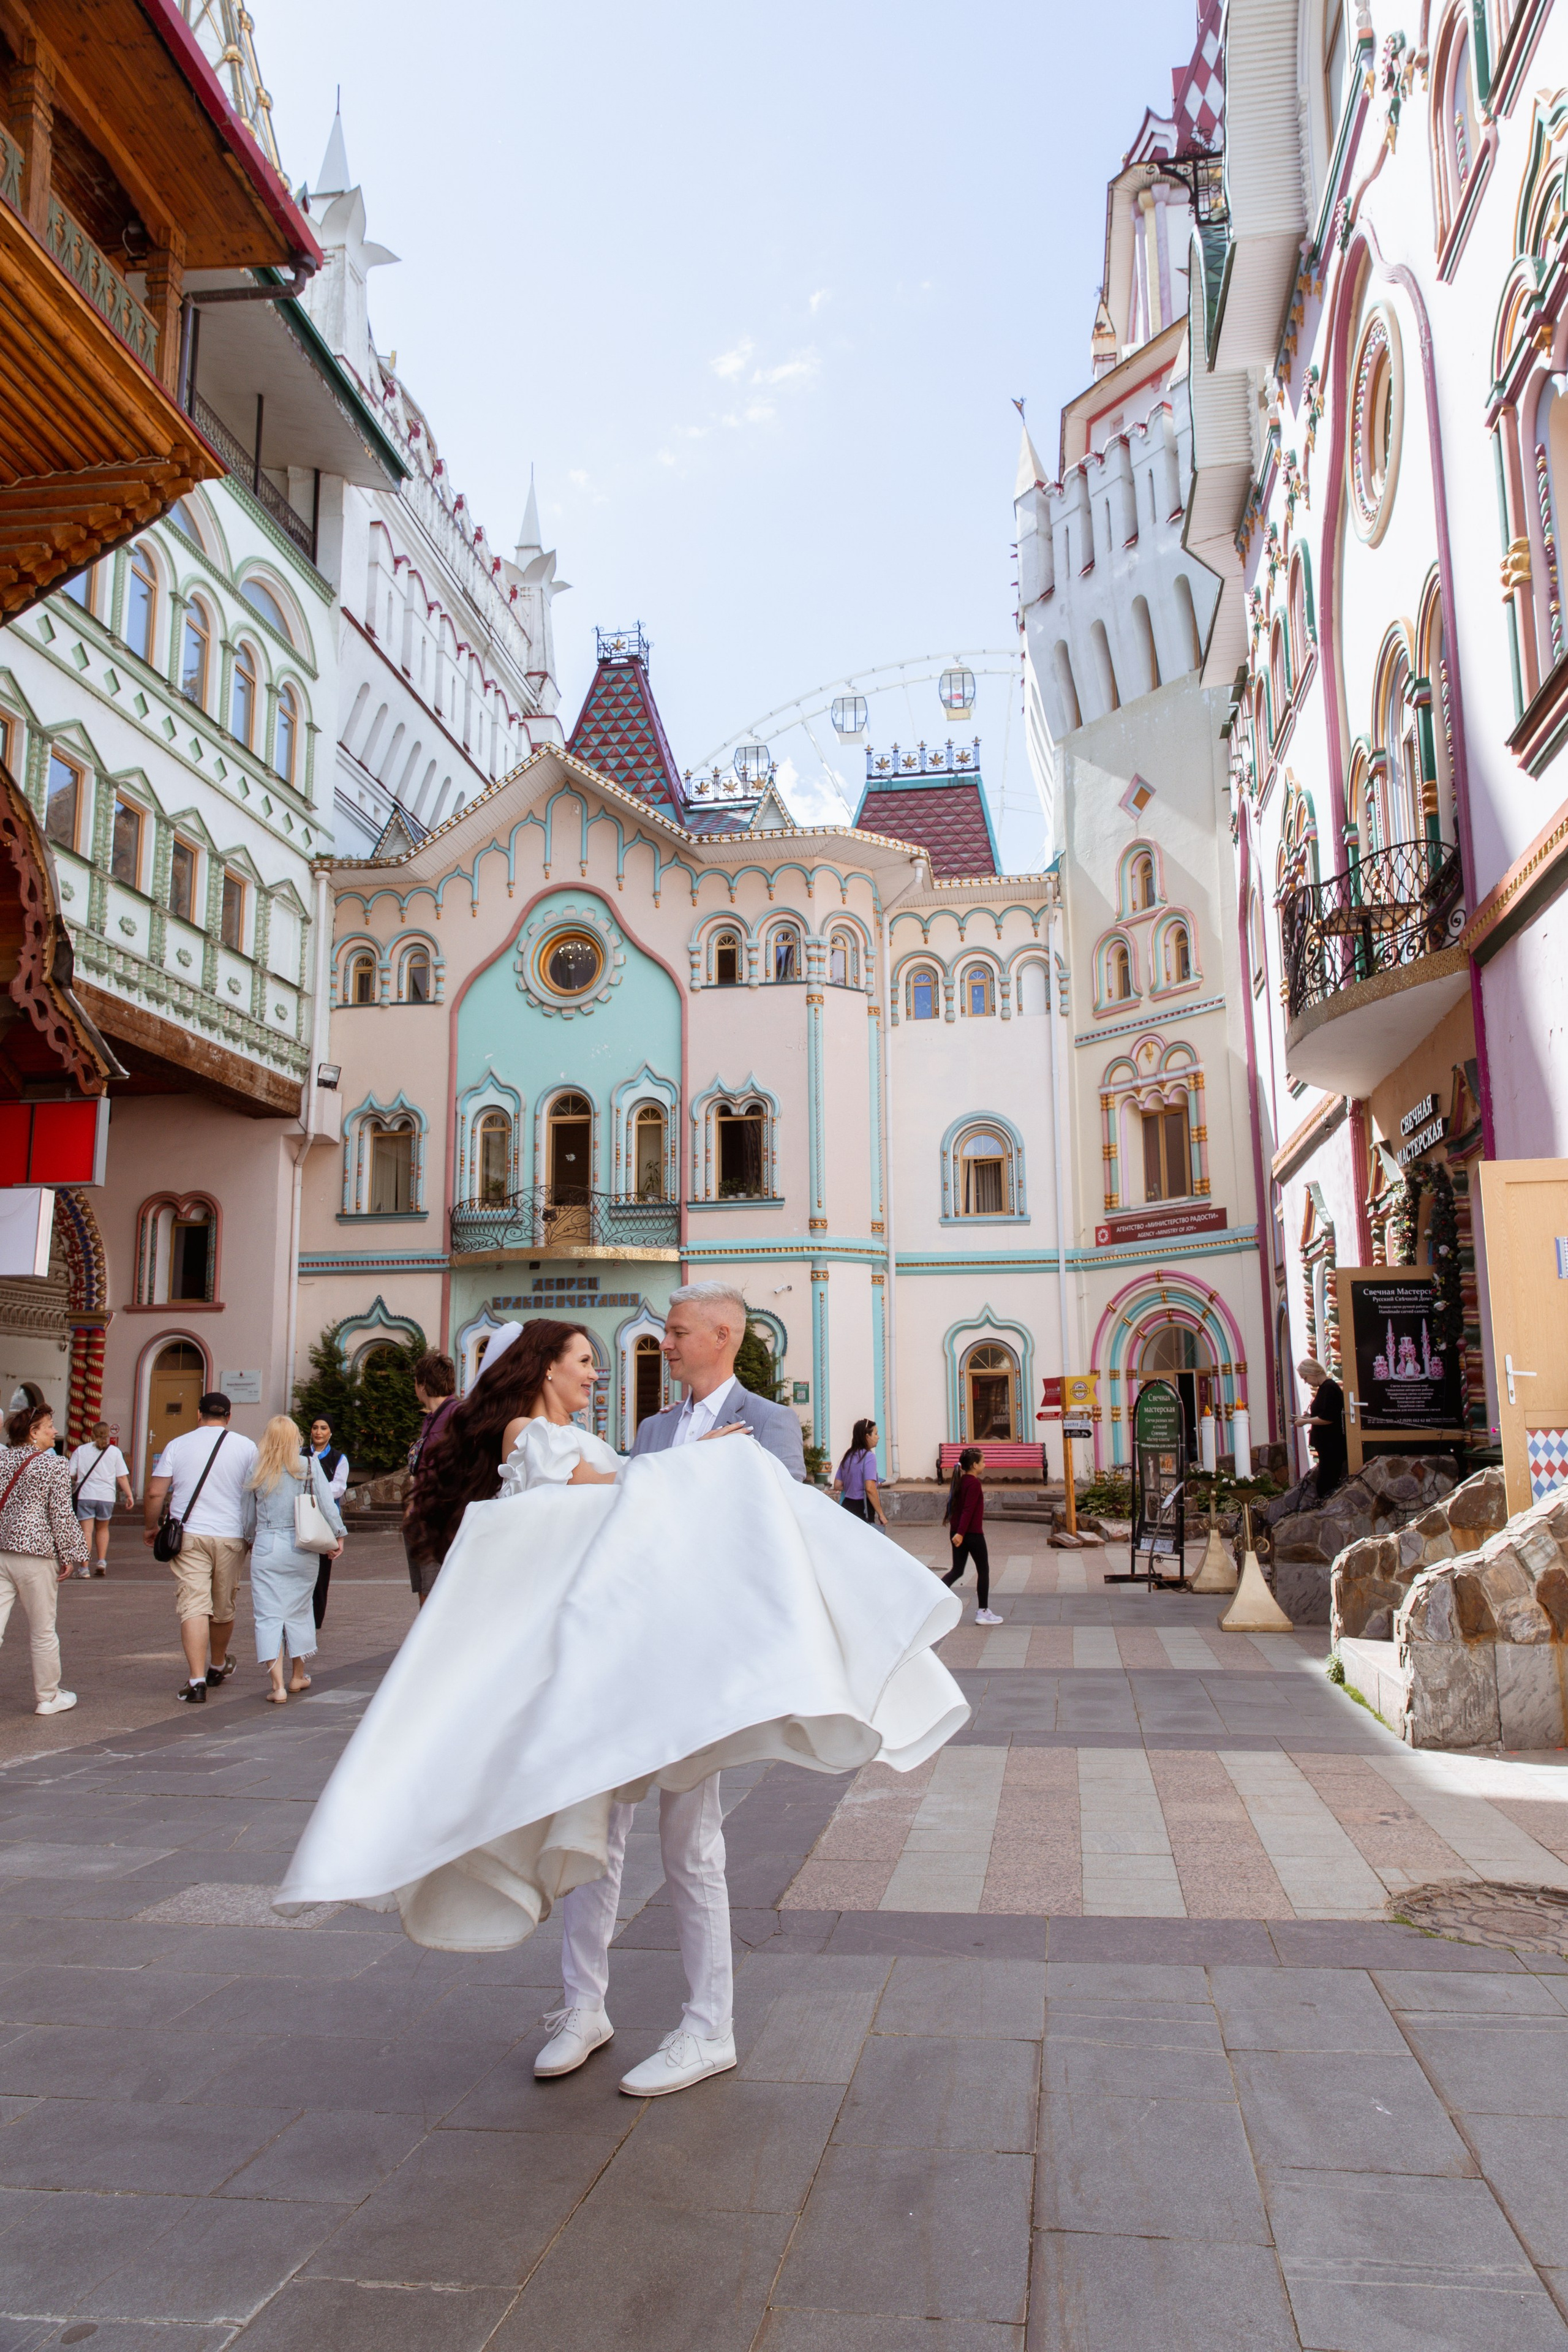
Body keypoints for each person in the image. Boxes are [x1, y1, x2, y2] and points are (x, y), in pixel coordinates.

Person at [280, 1300, 968, 2104]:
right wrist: (689, 1467)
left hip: (697, 1666)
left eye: (675, 1334)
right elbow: (604, 1513)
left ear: (723, 1337)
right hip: (616, 1663)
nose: (659, 1346)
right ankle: (583, 2008)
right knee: (592, 1833)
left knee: (693, 1844)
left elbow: (773, 1532)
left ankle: (709, 2026)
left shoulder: (768, 1422)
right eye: (659, 1334)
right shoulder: (643, 1435)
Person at [143, 1390, 258, 1705]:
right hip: (231, 1537)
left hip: (188, 1536)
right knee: (222, 1607)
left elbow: (155, 1493)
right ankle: (217, 1665)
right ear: (229, 1417)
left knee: (193, 1606)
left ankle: (195, 1682)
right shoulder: (247, 1447)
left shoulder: (177, 1445)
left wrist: (152, 1526)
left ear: (198, 1414)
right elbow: (258, 1491)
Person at [244, 1415, 344, 1704]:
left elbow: (247, 1516)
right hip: (302, 1547)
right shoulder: (309, 1466)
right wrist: (339, 1534)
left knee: (268, 1615)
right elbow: (326, 1503)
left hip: (266, 1546)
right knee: (301, 1611)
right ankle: (297, 1676)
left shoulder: (257, 1468)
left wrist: (250, 1539)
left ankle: (277, 1687)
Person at [0, 1401, 83, 1715]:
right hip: (36, 1554)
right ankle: (48, 1697)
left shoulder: (2, 1461)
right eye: (49, 1426)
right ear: (34, 1433)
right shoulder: (53, 1465)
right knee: (43, 1629)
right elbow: (61, 1514)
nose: (55, 1431)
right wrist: (71, 1555)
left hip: (2, 1550)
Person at [402, 1351, 458, 1602]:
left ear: (422, 1384)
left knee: (437, 1595)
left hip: (441, 1521)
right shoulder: (432, 1418)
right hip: (423, 1519)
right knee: (426, 1590)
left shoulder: (457, 1416)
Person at [943, 1446, 1002, 1624]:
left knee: (957, 1570)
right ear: (975, 1465)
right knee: (983, 1570)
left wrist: (957, 1532)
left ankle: (933, 1601)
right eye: (983, 1462)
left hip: (958, 1532)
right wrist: (961, 1533)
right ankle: (983, 1612)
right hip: (971, 1534)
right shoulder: (974, 1483)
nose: (985, 1464)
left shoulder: (960, 1481)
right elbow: (968, 1510)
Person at [67, 1420, 132, 1578]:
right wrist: (129, 1495)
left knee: (86, 1532)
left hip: (86, 1496)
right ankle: (101, 1561)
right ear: (108, 1435)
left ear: (92, 1434)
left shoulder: (81, 1450)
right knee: (103, 1529)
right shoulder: (115, 1452)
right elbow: (122, 1477)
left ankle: (84, 1569)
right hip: (106, 1496)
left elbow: (70, 1474)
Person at [307, 1417, 349, 1631]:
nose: (319, 1432)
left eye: (324, 1428)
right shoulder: (301, 1454)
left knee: (322, 1572)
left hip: (325, 1521)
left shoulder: (338, 1458)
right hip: (303, 1517)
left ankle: (316, 1620)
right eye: (315, 1427)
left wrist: (314, 1490)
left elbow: (338, 1488)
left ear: (330, 1432)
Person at [1292, 1358, 1346, 1499]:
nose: (1306, 1381)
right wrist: (1307, 1418)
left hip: (1332, 1447)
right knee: (1324, 1483)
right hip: (1326, 1447)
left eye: (1306, 1378)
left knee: (1325, 1485)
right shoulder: (1324, 1389)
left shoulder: (1329, 1388)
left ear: (1312, 1372)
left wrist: (1306, 1422)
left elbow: (1329, 1417)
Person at [833, 1419, 888, 1528]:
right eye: (875, 1434)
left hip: (847, 1505)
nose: (878, 1437)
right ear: (867, 1436)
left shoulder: (848, 1456)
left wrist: (854, 1485)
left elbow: (837, 1485)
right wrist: (881, 1514)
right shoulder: (869, 1457)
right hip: (863, 1508)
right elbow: (870, 1488)